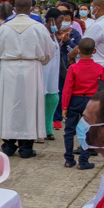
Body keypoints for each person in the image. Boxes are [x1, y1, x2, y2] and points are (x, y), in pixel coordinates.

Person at [0, 0, 56, 158]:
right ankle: (26, 147)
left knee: (9, 106)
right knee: (29, 106)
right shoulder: (38, 28)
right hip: (31, 68)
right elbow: (49, 51)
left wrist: (5, 64)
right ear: (31, 8)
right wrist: (39, 61)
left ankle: (8, 145)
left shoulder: (4, 28)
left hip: (9, 68)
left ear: (14, 8)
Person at [62, 38, 104, 168]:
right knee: (89, 131)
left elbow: (67, 88)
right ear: (94, 51)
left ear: (78, 51)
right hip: (91, 102)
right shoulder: (98, 68)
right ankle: (83, 161)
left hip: (74, 100)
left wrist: (64, 106)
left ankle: (69, 159)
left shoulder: (73, 68)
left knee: (69, 130)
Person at [70, 0, 104, 75]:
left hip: (96, 71)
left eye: (92, 7)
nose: (92, 10)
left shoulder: (99, 26)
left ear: (97, 8)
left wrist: (70, 55)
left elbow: (84, 46)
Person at [40, 8, 62, 142]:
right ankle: (39, 129)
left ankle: (48, 127)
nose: (61, 24)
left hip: (53, 72)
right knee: (41, 99)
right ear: (51, 19)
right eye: (59, 21)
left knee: (53, 98)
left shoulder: (54, 34)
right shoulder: (42, 32)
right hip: (43, 70)